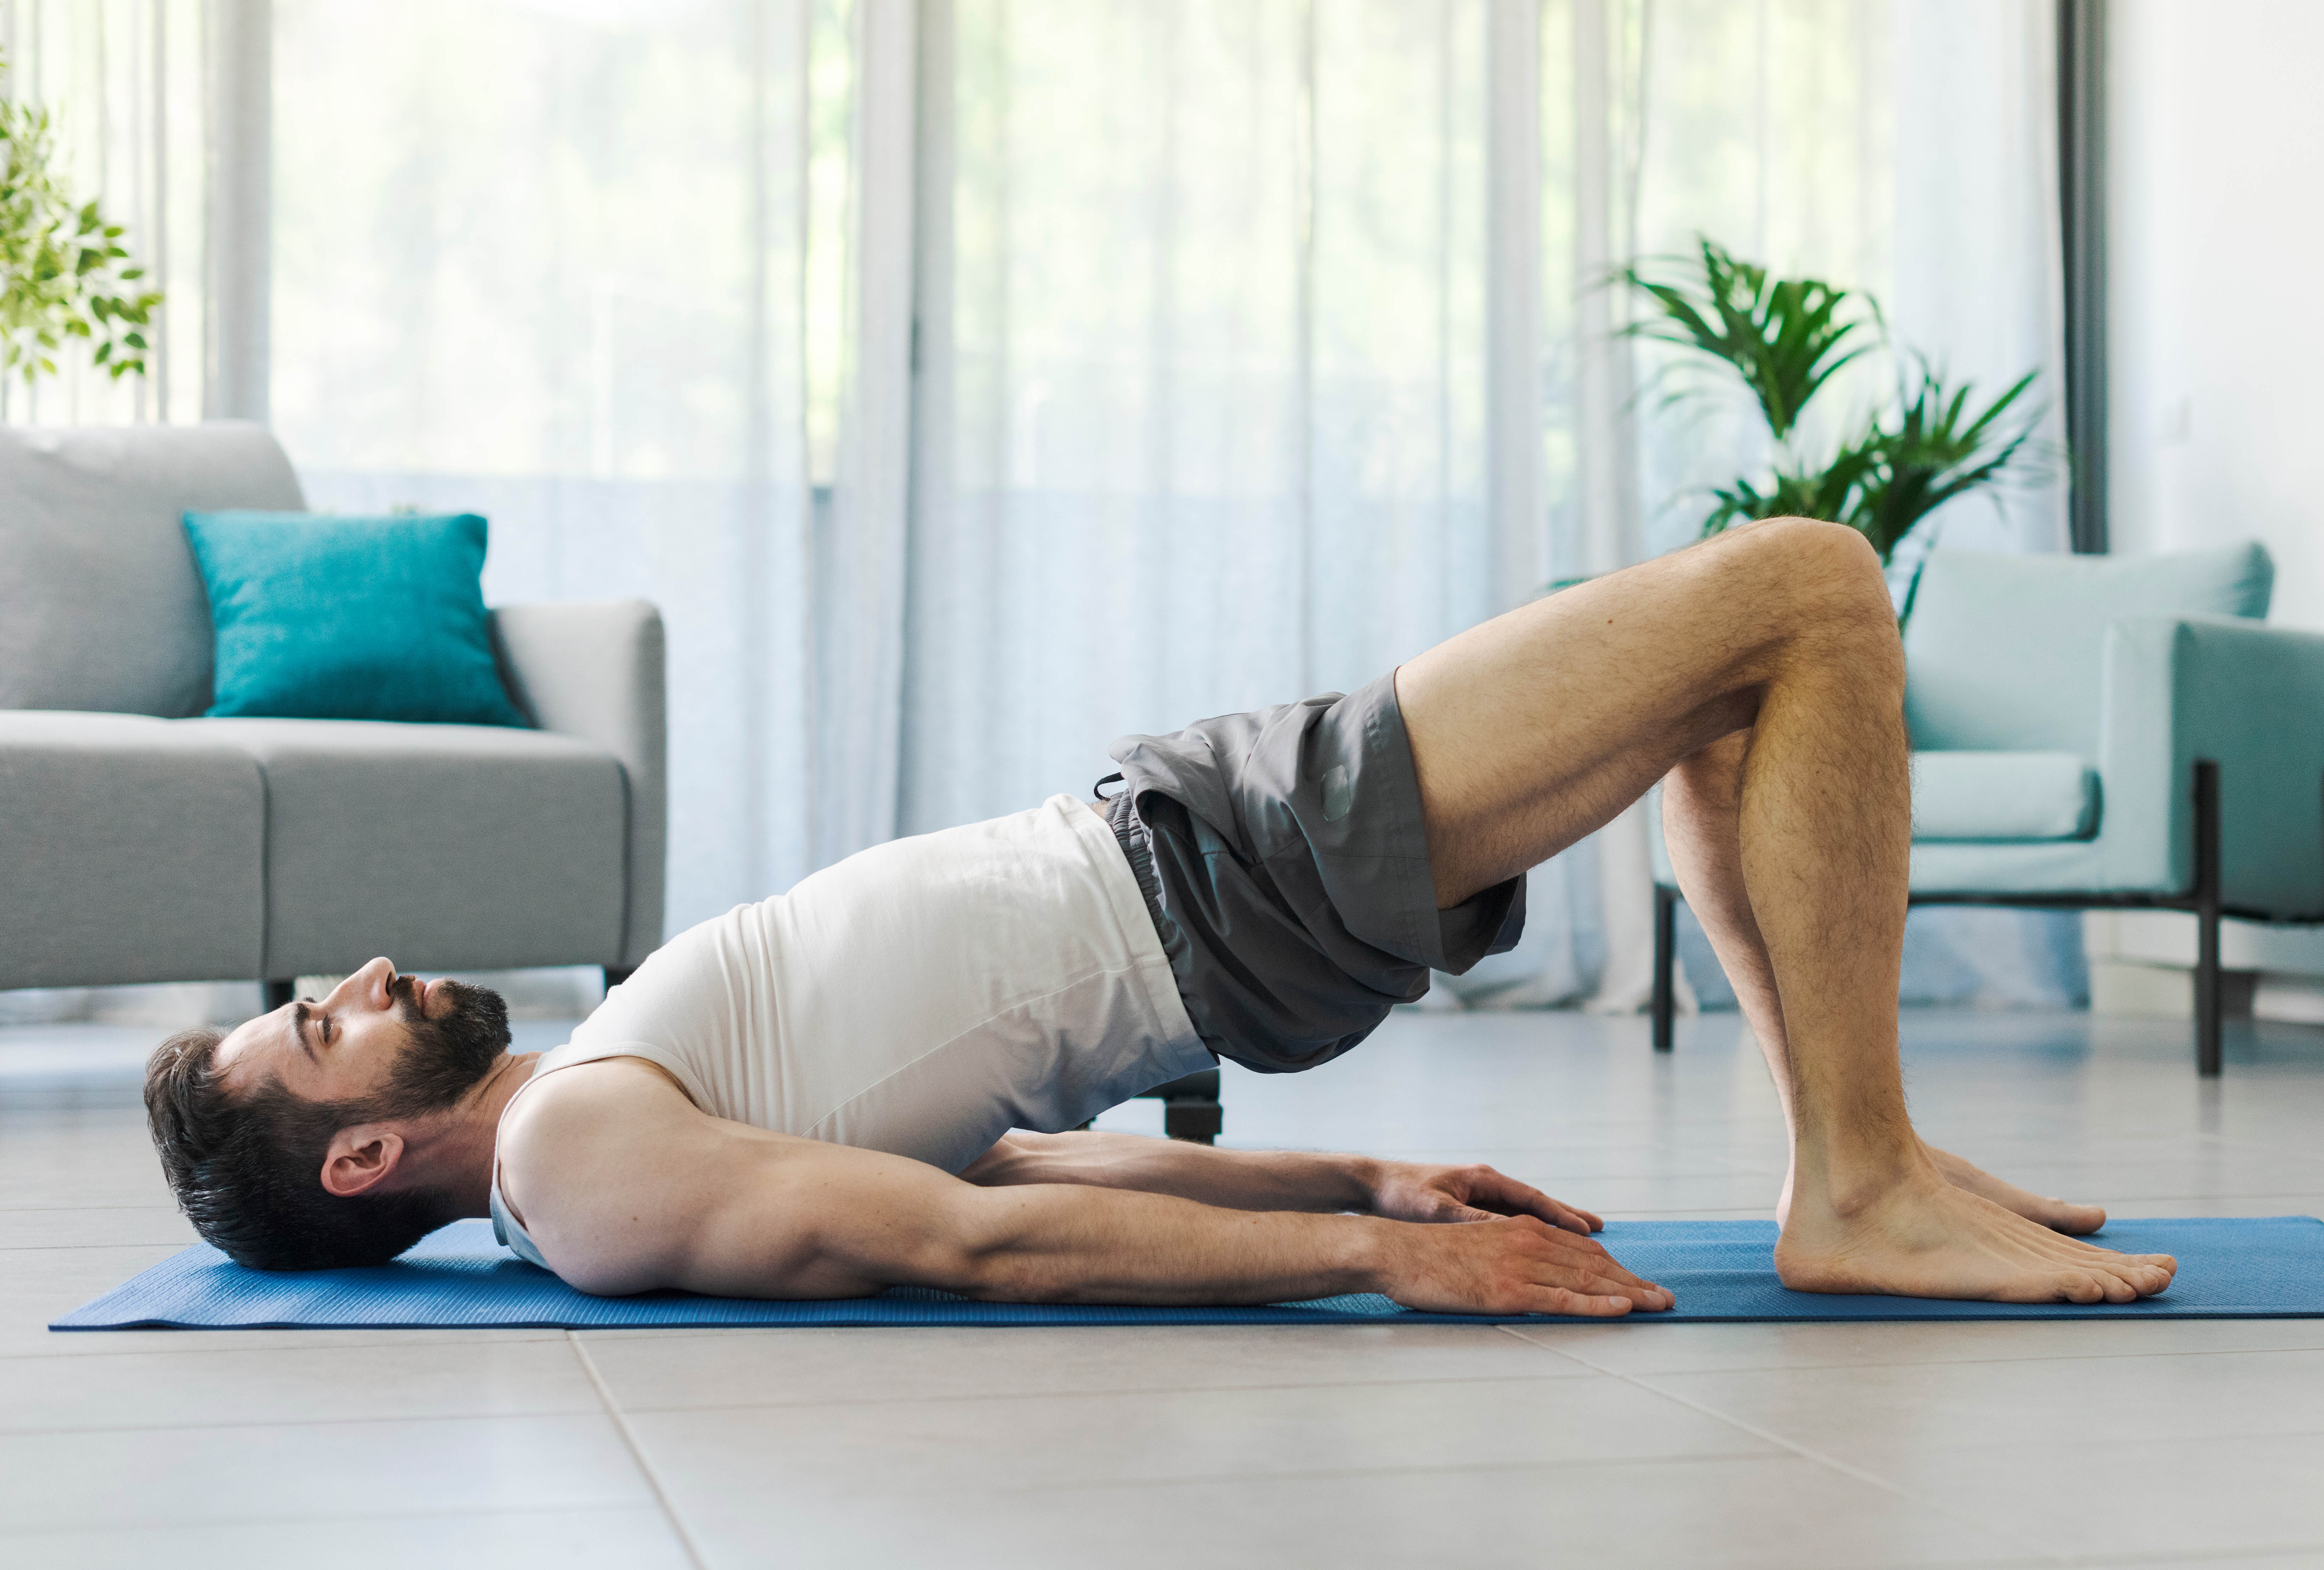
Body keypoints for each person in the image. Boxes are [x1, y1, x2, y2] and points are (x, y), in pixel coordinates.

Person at [144, 520, 2177, 1315]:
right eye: (323, 1026)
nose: (367, 978)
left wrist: (1370, 1179)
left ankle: (1871, 1154)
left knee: (1734, 678)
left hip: (1192, 846)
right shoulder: (582, 1169)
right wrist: (1380, 1272)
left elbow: (994, 1140)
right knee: (1803, 586)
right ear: (368, 1152)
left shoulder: (607, 1112)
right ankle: (1854, 1182)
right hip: (1212, 881)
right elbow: (972, 1239)